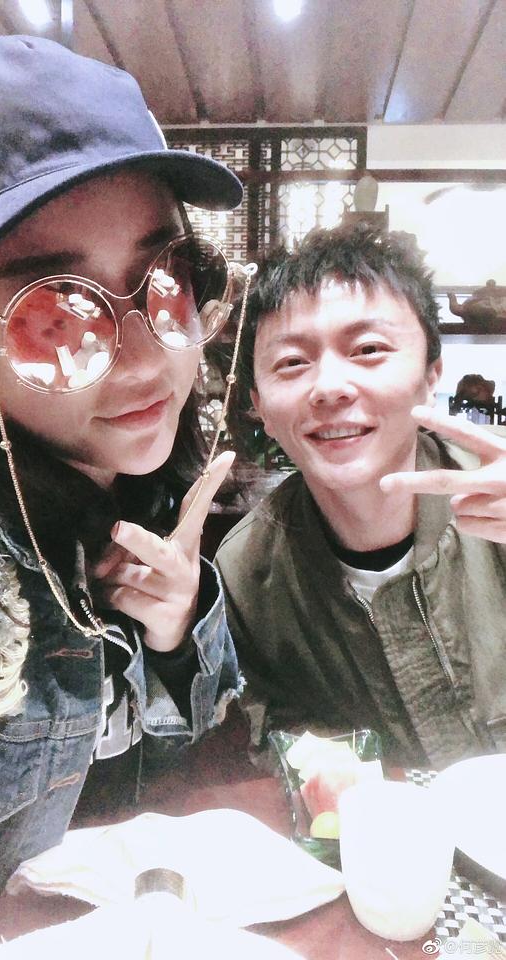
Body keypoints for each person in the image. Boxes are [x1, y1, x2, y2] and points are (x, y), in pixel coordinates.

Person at [0, 34, 249, 905]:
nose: (146, 360)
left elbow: (166, 785)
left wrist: (176, 632)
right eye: (55, 317)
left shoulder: (146, 499)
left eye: (168, 281)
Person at [216, 225, 506, 771]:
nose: (329, 387)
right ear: (260, 406)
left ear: (431, 376)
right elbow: (288, 740)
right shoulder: (248, 571)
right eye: (292, 362)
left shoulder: (497, 487)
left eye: (368, 350)